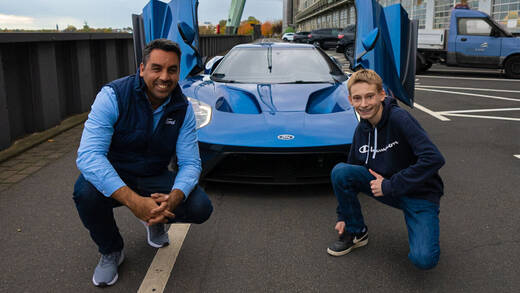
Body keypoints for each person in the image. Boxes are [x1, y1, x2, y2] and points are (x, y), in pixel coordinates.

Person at [73, 39, 213, 287]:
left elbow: (191, 163)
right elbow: (89, 156)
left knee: (201, 206)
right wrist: (134, 202)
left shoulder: (183, 108)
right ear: (141, 69)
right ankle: (111, 250)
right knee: (85, 193)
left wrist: (175, 197)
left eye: (172, 70)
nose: (165, 77)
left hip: (152, 177)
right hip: (116, 173)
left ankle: (155, 219)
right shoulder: (113, 96)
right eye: (156, 68)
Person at [327, 69, 445, 270]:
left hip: (419, 194)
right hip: (385, 188)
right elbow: (351, 170)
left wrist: (391, 185)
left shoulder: (400, 119)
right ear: (350, 100)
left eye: (370, 96)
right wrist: (343, 216)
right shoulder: (361, 129)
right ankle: (356, 231)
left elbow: (433, 158)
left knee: (424, 259)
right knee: (341, 171)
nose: (364, 104)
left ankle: (424, 224)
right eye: (357, 98)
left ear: (382, 95)